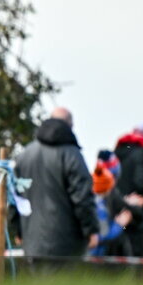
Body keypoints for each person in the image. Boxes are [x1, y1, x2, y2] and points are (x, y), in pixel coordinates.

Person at [12, 107, 99, 263]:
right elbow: (82, 197)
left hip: (33, 244)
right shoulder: (72, 155)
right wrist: (91, 230)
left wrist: (18, 229)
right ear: (70, 126)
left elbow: (15, 197)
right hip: (67, 245)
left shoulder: (25, 155)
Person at [114, 124, 143, 257]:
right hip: (136, 210)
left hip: (117, 208)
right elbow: (141, 182)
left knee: (119, 250)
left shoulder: (117, 153)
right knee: (137, 251)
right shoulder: (142, 153)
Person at [90, 154, 132, 257]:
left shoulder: (95, 198)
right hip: (92, 260)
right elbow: (97, 238)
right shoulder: (99, 204)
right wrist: (119, 225)